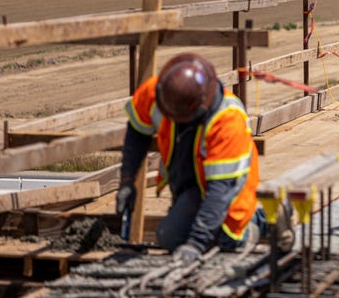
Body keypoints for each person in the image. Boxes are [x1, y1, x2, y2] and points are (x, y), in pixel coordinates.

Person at [115, 52, 291, 261]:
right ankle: (209, 230)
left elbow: (220, 191)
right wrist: (127, 181)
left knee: (227, 239)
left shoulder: (228, 119)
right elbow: (137, 132)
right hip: (191, 183)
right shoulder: (160, 93)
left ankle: (266, 219)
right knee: (170, 238)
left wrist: (196, 245)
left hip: (231, 187)